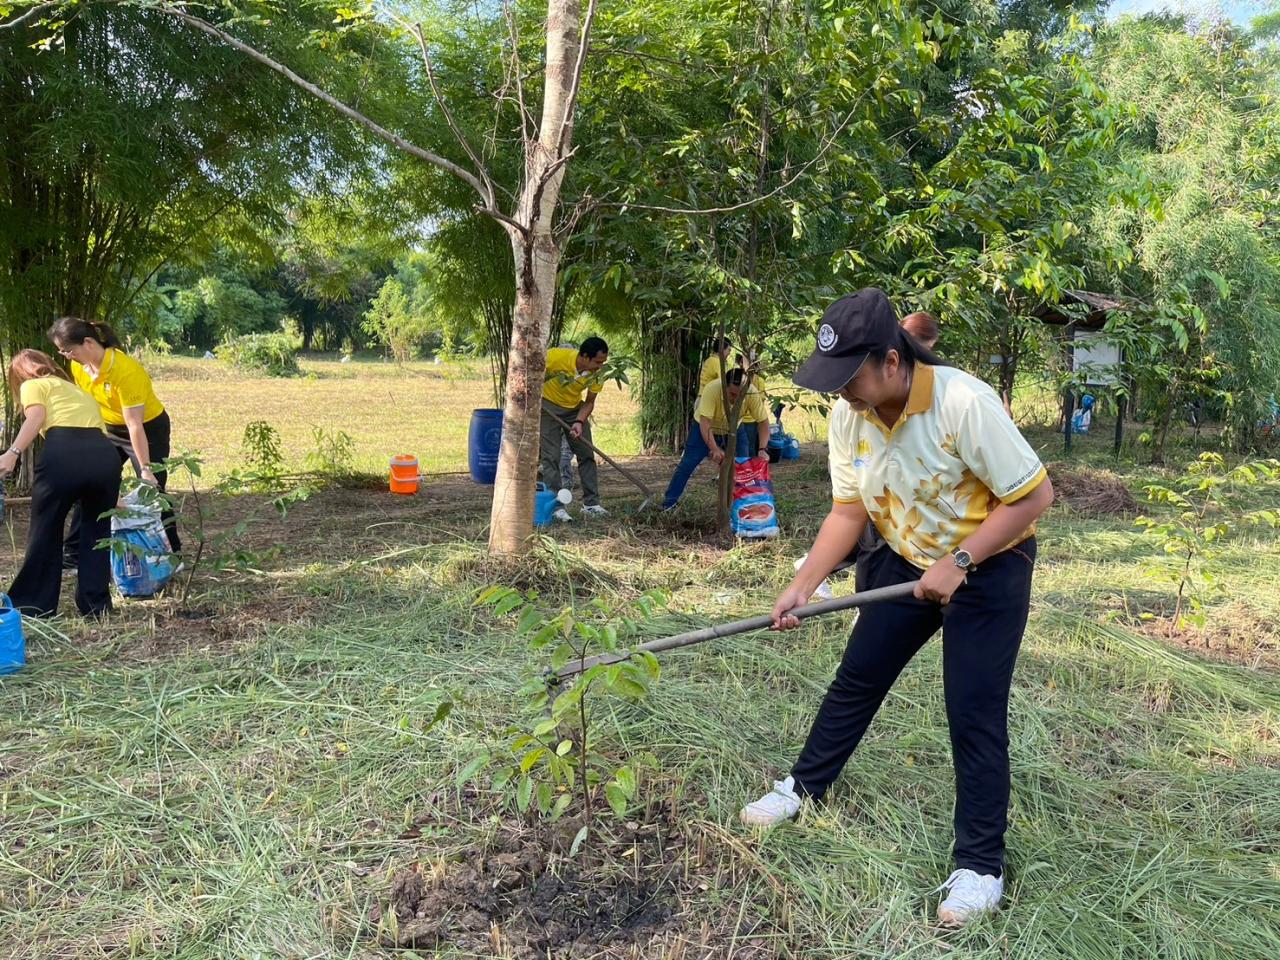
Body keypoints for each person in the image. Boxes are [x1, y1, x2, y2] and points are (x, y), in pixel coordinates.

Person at [739, 289, 1053, 927]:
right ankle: (802, 787)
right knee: (859, 677)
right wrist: (808, 581)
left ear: (890, 360)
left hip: (988, 568)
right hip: (905, 561)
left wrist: (960, 563)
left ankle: (980, 868)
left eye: (848, 378)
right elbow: (848, 511)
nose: (840, 392)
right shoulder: (850, 416)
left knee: (973, 710)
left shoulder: (962, 403)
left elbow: (1033, 496)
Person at [0, 350, 123, 618]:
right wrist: (112, 492)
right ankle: (96, 606)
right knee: (98, 532)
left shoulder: (33, 384)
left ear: (19, 374)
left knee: (46, 528)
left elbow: (36, 417)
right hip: (104, 455)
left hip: (64, 452)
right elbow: (97, 436)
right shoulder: (76, 390)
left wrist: (13, 453)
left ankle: (34, 606)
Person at [48, 318, 180, 557]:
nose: (65, 355)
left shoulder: (125, 370)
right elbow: (90, 404)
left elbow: (134, 424)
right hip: (109, 428)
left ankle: (171, 551)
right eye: (61, 351)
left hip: (147, 429)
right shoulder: (79, 367)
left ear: (88, 342)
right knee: (90, 480)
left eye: (68, 350)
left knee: (152, 488)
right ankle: (75, 552)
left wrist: (147, 469)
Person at [662, 368, 770, 510]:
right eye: (732, 394)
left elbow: (763, 422)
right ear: (723, 385)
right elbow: (705, 422)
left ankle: (742, 508)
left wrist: (762, 449)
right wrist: (714, 448)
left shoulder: (751, 393)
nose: (735, 399)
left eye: (740, 396)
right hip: (704, 428)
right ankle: (669, 503)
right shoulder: (712, 389)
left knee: (743, 468)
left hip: (733, 430)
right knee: (687, 464)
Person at [540, 337, 609, 521]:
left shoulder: (597, 374)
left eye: (603, 362)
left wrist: (579, 421)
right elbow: (529, 373)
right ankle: (556, 506)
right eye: (597, 362)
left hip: (574, 409)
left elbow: (590, 401)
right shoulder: (555, 357)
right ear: (584, 356)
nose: (600, 366)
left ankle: (591, 504)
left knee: (586, 454)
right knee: (551, 456)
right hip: (547, 407)